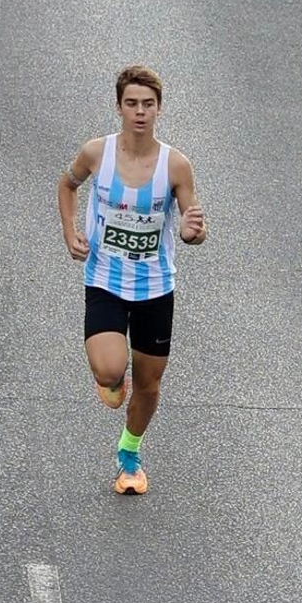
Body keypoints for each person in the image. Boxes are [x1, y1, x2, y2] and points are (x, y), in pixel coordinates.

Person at [58, 64, 207, 495]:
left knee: (149, 385)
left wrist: (192, 232)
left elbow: (191, 224)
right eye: (131, 104)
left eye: (148, 105)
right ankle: (111, 377)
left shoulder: (176, 166)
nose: (139, 112)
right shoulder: (96, 154)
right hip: (105, 279)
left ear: (159, 109)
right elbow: (67, 186)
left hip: (154, 288)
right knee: (110, 371)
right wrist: (71, 232)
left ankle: (129, 454)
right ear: (119, 107)